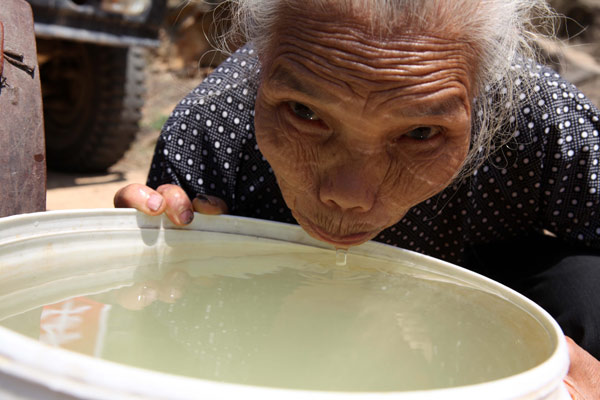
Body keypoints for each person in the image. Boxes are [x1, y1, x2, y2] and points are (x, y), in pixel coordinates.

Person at [115, 0, 600, 396]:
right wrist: (152, 253)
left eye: (421, 132)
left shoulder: (538, 116)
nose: (348, 196)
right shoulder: (213, 129)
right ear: (262, 64)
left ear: (482, 92)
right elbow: (169, 355)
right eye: (305, 113)